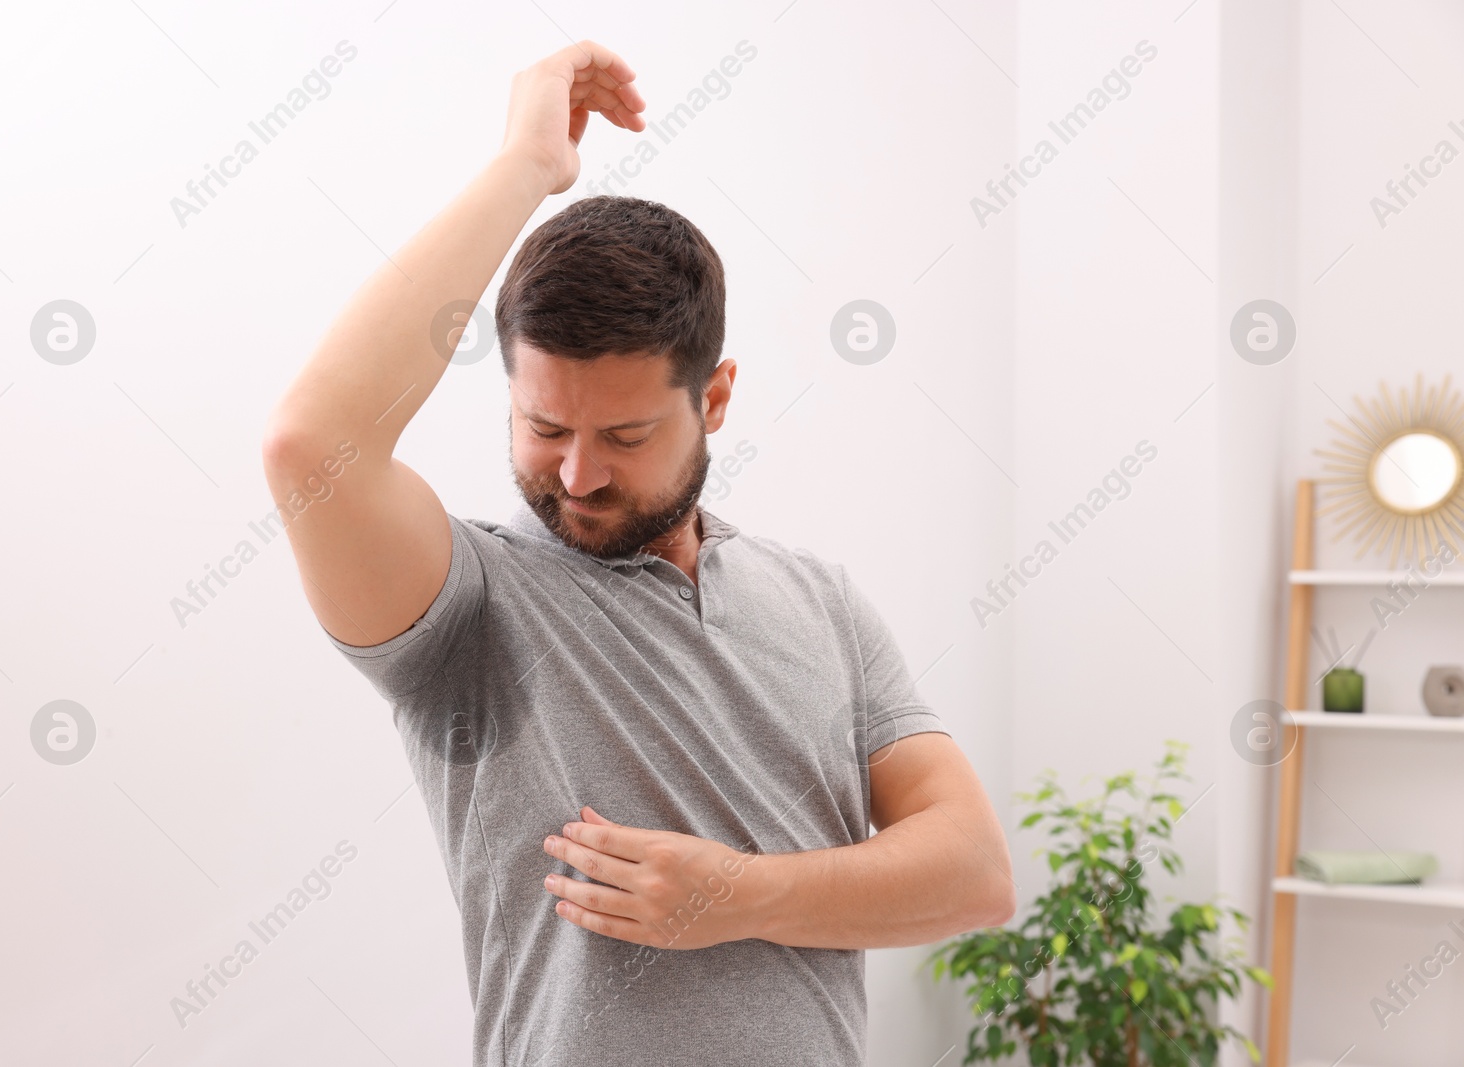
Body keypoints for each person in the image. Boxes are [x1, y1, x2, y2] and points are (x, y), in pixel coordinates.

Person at [261, 39, 1014, 1067]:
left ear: (714, 399)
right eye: (542, 427)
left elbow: (971, 870)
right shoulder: (467, 608)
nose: (575, 476)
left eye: (621, 437)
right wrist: (525, 169)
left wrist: (734, 894)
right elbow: (312, 444)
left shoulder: (819, 599)